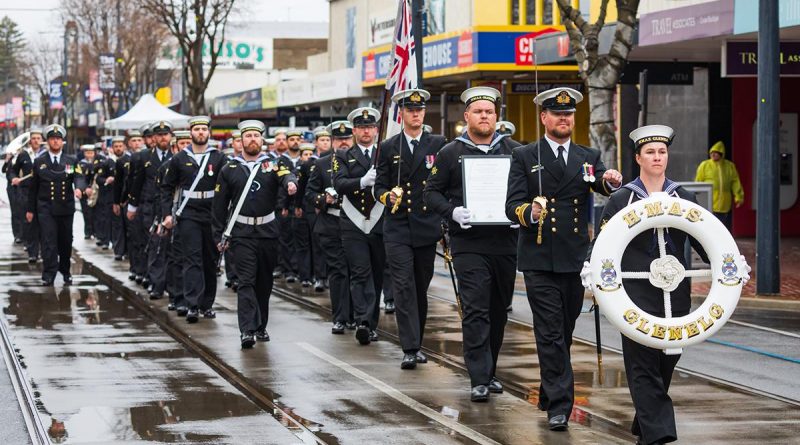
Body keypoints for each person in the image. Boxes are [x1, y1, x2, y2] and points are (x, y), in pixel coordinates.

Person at [581, 125, 732, 445]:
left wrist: (728, 262)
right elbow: (602, 247)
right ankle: (658, 434)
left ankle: (646, 422)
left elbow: (706, 241)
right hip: (633, 295)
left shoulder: (685, 197)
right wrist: (592, 276)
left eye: (662, 151)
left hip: (675, 294)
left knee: (665, 362)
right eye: (650, 152)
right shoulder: (622, 199)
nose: (657, 157)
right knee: (642, 363)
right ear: (638, 157)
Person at [504, 87, 622, 430]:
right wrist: (530, 210)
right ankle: (560, 405)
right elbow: (511, 205)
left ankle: (549, 387)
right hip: (539, 257)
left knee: (565, 329)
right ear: (544, 117)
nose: (564, 119)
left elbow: (601, 183)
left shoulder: (588, 155)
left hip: (574, 259)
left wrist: (610, 180)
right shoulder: (525, 156)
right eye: (557, 114)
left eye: (568, 114)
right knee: (550, 333)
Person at [424, 87, 520, 400]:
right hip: (468, 243)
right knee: (476, 309)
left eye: (489, 112)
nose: (484, 116)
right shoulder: (451, 153)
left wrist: (521, 212)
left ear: (497, 116)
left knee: (498, 310)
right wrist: (452, 211)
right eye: (478, 111)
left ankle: (489, 371)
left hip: (504, 242)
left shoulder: (514, 151)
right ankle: (478, 377)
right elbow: (431, 193)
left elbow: (528, 190)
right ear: (467, 116)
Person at [375, 88, 446, 370]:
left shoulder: (439, 144)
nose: (416, 113)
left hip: (427, 227)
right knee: (403, 287)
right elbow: (379, 186)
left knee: (419, 286)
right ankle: (410, 347)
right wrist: (386, 196)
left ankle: (417, 340)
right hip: (398, 227)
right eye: (410, 109)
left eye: (420, 109)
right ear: (401, 114)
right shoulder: (390, 146)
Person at [213, 120, 297, 348]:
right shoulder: (229, 169)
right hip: (241, 233)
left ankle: (261, 326)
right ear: (240, 141)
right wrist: (218, 235)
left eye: (256, 136)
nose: (252, 139)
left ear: (262, 140)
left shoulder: (272, 164)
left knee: (264, 281)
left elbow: (287, 175)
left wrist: (290, 184)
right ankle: (247, 330)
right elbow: (219, 206)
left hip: (267, 231)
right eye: (248, 136)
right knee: (246, 281)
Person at [161, 116, 227, 323]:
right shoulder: (179, 158)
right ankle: (192, 304)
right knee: (192, 259)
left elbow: (227, 187)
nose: (200, 132)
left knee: (210, 259)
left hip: (212, 213)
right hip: (188, 213)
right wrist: (167, 214)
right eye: (197, 129)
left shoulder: (218, 157)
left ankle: (207, 304)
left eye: (203, 129)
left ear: (209, 133)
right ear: (191, 133)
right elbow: (167, 187)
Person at [333, 107, 386, 346]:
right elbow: (339, 183)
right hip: (353, 222)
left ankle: (371, 323)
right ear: (354, 130)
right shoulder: (344, 155)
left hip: (379, 221)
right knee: (360, 272)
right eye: (362, 127)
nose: (366, 131)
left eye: (370, 127)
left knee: (376, 273)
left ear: (376, 130)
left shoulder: (384, 153)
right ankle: (362, 321)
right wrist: (362, 182)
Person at [307, 121, 353, 333]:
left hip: (357, 223)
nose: (343, 142)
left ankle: (358, 316)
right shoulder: (322, 163)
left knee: (357, 271)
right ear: (332, 141)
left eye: (347, 138)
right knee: (338, 271)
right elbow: (310, 193)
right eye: (339, 139)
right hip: (331, 222)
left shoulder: (360, 161)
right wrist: (323, 200)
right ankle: (340, 317)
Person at [26, 124, 86, 285]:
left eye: (58, 139)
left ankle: (65, 271)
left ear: (62, 142)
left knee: (65, 241)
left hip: (65, 208)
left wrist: (79, 189)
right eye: (52, 139)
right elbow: (33, 188)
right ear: (47, 142)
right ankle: (49, 273)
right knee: (48, 241)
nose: (55, 142)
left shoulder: (70, 161)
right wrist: (30, 209)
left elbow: (79, 177)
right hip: (46, 208)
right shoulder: (40, 162)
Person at [128, 121, 173, 299]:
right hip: (150, 207)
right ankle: (156, 284)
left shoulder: (177, 156)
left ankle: (171, 284)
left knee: (170, 248)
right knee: (155, 246)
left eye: (165, 134)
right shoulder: (143, 157)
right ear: (154, 138)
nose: (163, 138)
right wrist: (132, 206)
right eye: (159, 135)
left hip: (170, 207)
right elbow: (136, 183)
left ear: (170, 136)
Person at [11, 126, 44, 263]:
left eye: (38, 138)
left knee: (43, 222)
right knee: (29, 222)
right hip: (26, 192)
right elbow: (12, 171)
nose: (36, 141)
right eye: (33, 138)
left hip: (42, 192)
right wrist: (13, 178)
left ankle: (43, 249)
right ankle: (32, 252)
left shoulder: (45, 155)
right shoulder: (23, 155)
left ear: (42, 140)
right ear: (30, 140)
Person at [694, 141, 744, 230]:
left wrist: (739, 197)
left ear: (721, 154)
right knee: (708, 227)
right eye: (712, 153)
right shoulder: (705, 165)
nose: (713, 155)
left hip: (724, 204)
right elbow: (698, 182)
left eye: (716, 153)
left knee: (722, 228)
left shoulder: (729, 166)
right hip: (709, 203)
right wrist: (696, 194)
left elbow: (735, 182)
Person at [77, 144, 96, 240]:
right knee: (86, 212)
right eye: (87, 153)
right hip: (84, 192)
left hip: (95, 192)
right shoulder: (80, 164)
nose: (89, 155)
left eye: (91, 153)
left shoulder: (97, 163)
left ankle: (95, 231)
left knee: (95, 213)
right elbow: (79, 178)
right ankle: (88, 231)